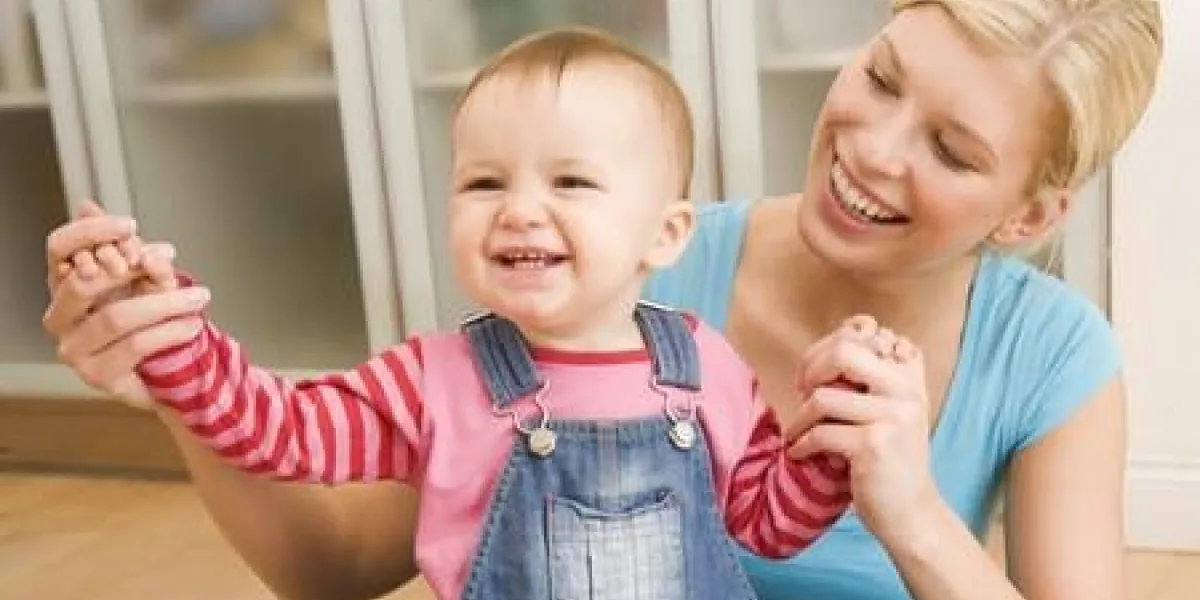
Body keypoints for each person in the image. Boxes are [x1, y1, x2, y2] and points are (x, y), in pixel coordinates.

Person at [42, 0, 1163, 598]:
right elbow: (330, 556)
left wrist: (903, 505)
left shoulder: (1052, 354)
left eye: (952, 149)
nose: (871, 147)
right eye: (879, 76)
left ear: (1029, 213)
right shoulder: (603, 273)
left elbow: (772, 513)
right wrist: (171, 364)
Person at [51, 27, 870, 600]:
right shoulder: (429, 380)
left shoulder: (706, 364)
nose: (519, 210)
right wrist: (172, 337)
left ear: (665, 233)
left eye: (570, 182)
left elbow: (769, 523)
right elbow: (280, 432)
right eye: (484, 182)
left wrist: (835, 437)